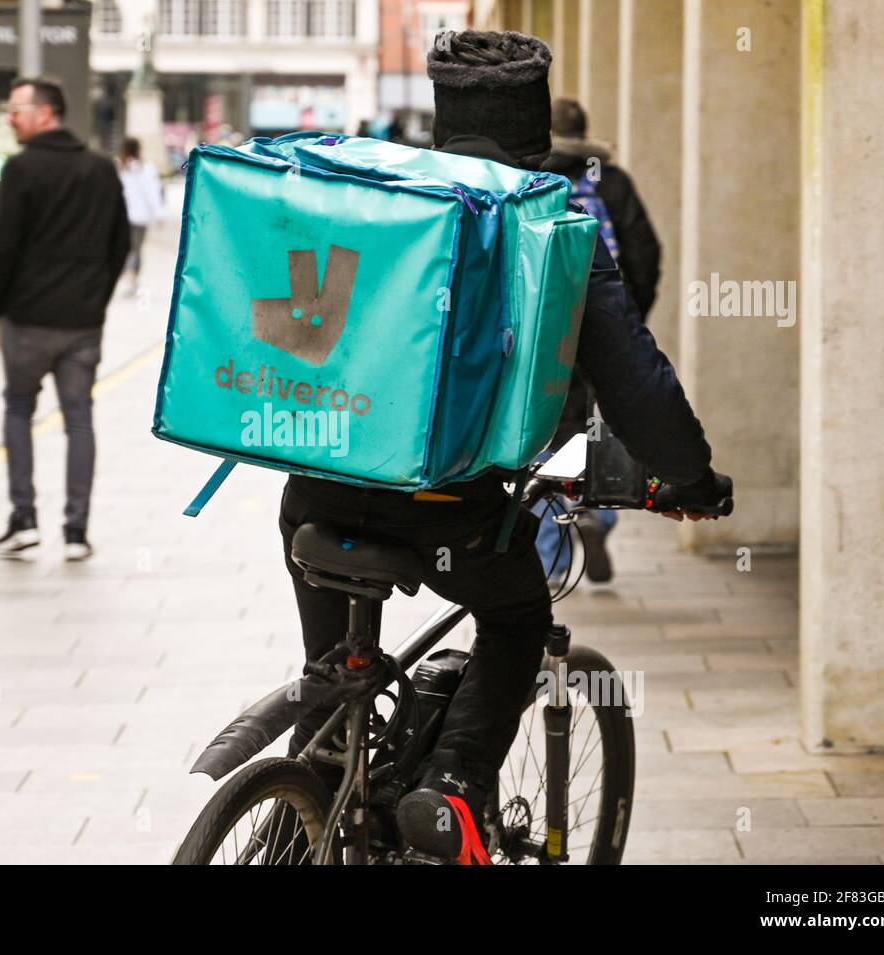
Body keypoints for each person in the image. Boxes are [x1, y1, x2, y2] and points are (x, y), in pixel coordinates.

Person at [277, 30, 731, 864]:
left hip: (319, 490)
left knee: (331, 664)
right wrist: (692, 476)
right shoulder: (550, 226)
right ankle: (453, 781)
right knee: (518, 614)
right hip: (449, 515)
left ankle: (311, 774)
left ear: (443, 121)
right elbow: (635, 382)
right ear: (537, 137)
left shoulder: (380, 196)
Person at [0, 76, 130, 561]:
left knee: (18, 411)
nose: (10, 118)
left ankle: (23, 519)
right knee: (80, 421)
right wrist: (97, 299)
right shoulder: (100, 169)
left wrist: (0, 305)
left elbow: (2, 246)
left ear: (46, 113)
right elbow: (119, 244)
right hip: (82, 323)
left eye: (16, 109)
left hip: (27, 318)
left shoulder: (22, 170)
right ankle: (76, 531)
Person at [534, 97, 665, 584]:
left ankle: (551, 556)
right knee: (596, 429)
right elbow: (644, 253)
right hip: (601, 328)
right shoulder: (611, 182)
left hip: (541, 334)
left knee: (543, 435)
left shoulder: (530, 182)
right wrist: (627, 322)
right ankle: (598, 511)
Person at [116, 138, 163, 296]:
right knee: (136, 249)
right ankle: (132, 279)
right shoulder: (146, 169)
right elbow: (152, 193)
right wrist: (158, 213)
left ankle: (127, 279)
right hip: (140, 217)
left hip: (122, 216)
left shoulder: (120, 168)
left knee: (125, 249)